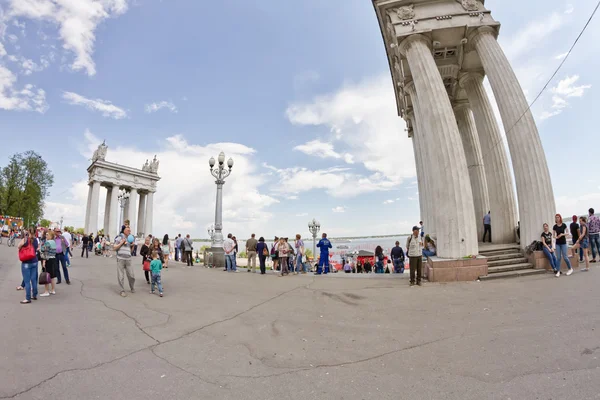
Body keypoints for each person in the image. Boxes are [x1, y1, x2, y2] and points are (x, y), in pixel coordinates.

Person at [18, 227, 39, 304]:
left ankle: (27, 298)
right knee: (34, 279)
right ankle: (34, 295)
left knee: (27, 281)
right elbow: (37, 249)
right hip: (34, 261)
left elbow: (18, 246)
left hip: (26, 262)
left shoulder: (25, 239)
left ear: (28, 232)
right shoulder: (36, 240)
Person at [114, 226, 135, 297]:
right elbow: (114, 248)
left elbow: (131, 251)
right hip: (120, 258)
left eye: (130, 230)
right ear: (124, 231)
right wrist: (121, 243)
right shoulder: (119, 238)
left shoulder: (130, 239)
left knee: (131, 275)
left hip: (128, 259)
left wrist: (133, 246)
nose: (130, 231)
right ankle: (122, 290)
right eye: (128, 230)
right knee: (121, 275)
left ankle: (132, 286)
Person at [40, 230, 57, 297]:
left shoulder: (47, 243)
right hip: (53, 259)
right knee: (52, 276)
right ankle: (53, 290)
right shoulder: (54, 242)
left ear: (51, 236)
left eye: (47, 235)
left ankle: (46, 291)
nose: (46, 236)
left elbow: (45, 252)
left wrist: (44, 261)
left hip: (48, 259)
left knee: (46, 275)